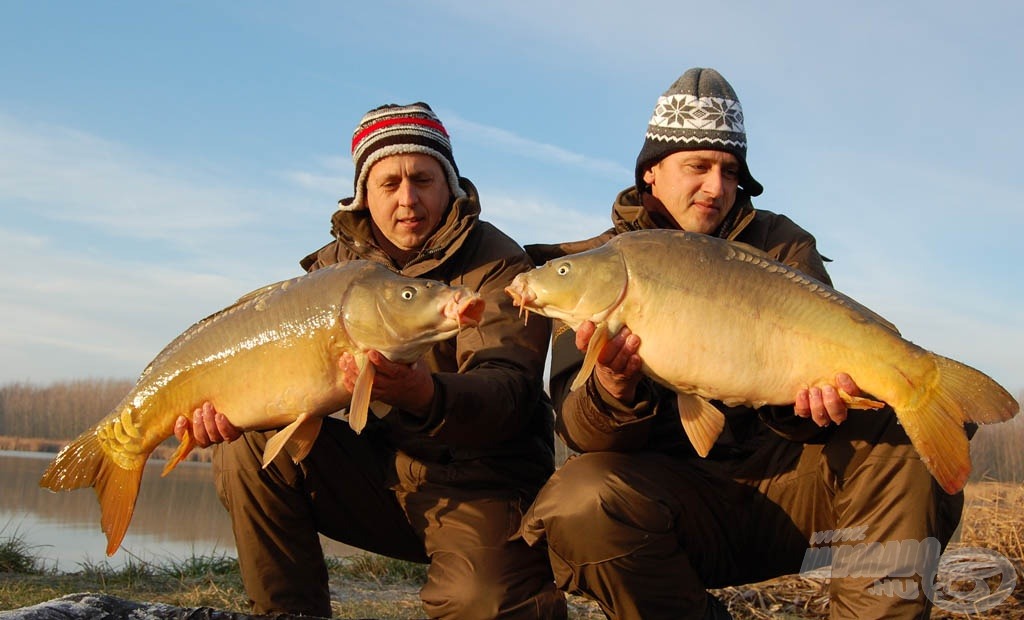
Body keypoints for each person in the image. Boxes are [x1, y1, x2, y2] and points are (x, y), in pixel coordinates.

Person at [519, 68, 966, 619]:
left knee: (898, 427)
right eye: (697, 166)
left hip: (796, 499)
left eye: (729, 171)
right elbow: (581, 431)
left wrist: (809, 412)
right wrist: (612, 385)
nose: (715, 186)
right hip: (679, 507)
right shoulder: (607, 266)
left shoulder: (781, 247)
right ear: (651, 172)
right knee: (577, 499)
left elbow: (810, 385)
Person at [174, 102, 568, 619]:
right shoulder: (332, 271)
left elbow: (509, 395)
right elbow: (279, 380)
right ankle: (286, 614)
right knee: (247, 443)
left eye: (423, 179)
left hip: (482, 487)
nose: (408, 199)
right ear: (364, 195)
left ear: (449, 185)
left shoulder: (498, 263)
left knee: (482, 601)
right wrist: (222, 411)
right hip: (378, 475)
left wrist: (425, 394)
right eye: (389, 184)